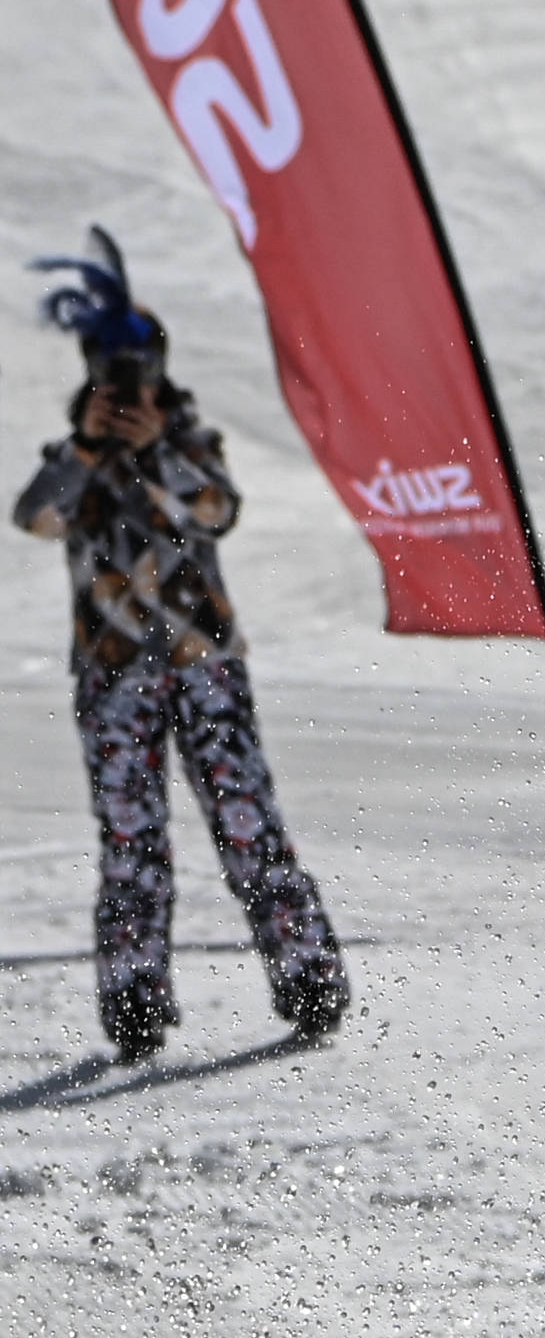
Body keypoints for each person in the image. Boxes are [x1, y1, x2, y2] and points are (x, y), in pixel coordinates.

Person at [14, 231, 347, 1062]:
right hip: (114, 677)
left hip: (205, 671)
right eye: (113, 370)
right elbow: (34, 514)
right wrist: (92, 447)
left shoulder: (192, 445)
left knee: (249, 825)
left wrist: (156, 443)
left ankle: (308, 977)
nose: (129, 387)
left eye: (141, 370)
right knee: (132, 841)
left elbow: (217, 508)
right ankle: (134, 1003)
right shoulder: (74, 459)